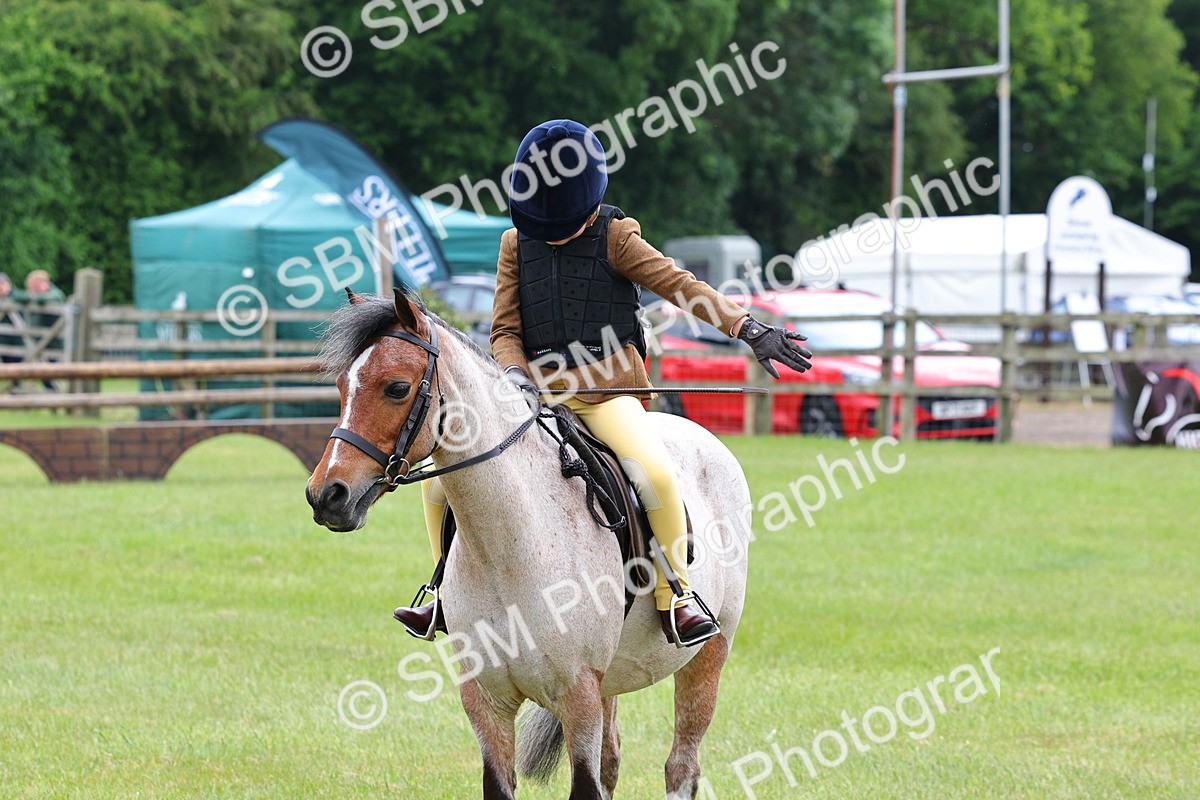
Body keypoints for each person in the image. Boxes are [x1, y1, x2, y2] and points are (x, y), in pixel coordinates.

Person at [393, 120, 812, 646]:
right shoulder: (512, 244)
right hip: (534, 400)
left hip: (606, 396)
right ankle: (442, 596)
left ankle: (676, 595)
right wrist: (517, 376)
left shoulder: (617, 237)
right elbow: (504, 329)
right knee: (438, 481)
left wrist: (747, 328)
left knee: (655, 474)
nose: (553, 234)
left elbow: (680, 286)